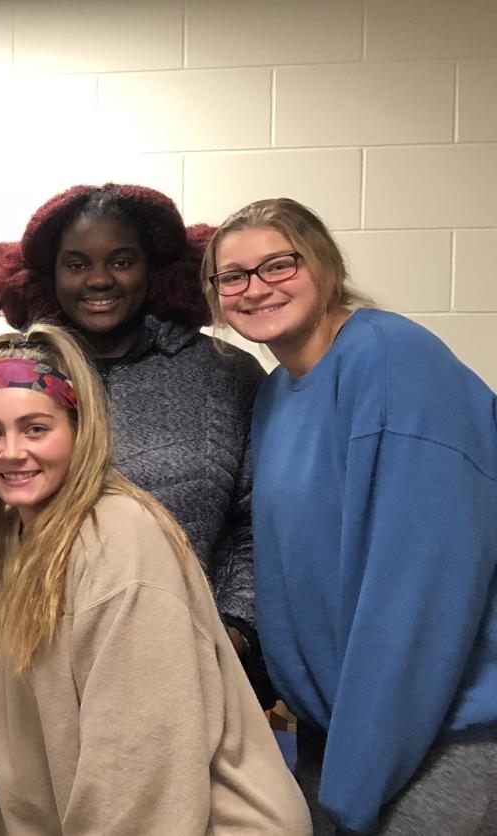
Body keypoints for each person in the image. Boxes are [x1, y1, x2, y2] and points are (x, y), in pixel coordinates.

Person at [205, 197, 497, 836]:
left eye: (279, 264)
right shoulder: (276, 394)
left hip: (438, 738)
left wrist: (358, 778)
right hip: (338, 734)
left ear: (327, 265)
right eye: (233, 276)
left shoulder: (393, 360)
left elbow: (421, 589)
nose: (257, 288)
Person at [0, 325, 308, 835]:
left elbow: (138, 773)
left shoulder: (119, 541)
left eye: (36, 429)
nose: (11, 452)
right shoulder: (3, 537)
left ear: (80, 429)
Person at [0, 184, 268, 695]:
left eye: (122, 261)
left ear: (152, 268)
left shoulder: (223, 374)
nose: (100, 279)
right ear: (51, 274)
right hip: (30, 665)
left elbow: (257, 521)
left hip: (190, 663)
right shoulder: (7, 374)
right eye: (77, 264)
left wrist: (234, 631)